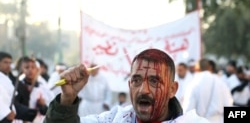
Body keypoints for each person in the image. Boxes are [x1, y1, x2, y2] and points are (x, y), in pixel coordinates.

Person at [43, 48, 209, 123]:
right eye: (136, 80)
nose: (143, 90)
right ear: (129, 85)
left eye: (154, 81)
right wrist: (67, 100)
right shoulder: (114, 119)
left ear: (172, 89)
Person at [182, 58, 233, 123]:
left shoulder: (193, 83)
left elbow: (188, 110)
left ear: (197, 69)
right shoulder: (222, 83)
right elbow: (228, 105)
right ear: (209, 67)